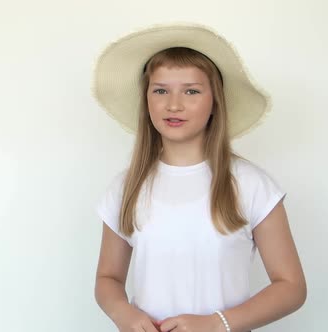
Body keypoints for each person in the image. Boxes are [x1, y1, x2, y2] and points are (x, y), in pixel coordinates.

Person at [92, 24, 307, 332]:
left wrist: (217, 324)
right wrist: (123, 313)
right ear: (147, 100)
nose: (173, 104)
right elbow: (108, 278)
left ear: (215, 102)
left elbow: (291, 287)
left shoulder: (250, 185)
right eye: (160, 90)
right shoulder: (126, 187)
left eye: (191, 90)